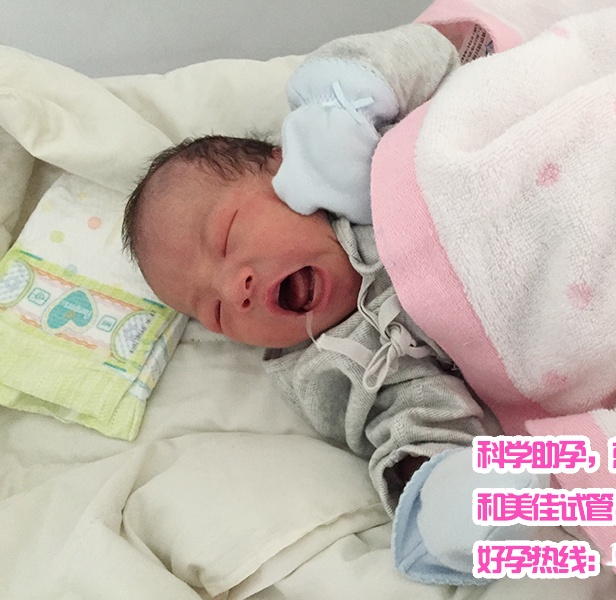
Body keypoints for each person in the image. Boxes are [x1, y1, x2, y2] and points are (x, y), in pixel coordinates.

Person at [122, 23, 548, 587]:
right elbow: (406, 416)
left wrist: (339, 101)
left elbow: (446, 54)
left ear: (284, 167)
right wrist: (437, 473)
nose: (234, 290)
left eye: (227, 237)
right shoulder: (330, 364)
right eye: (215, 313)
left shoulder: (365, 153)